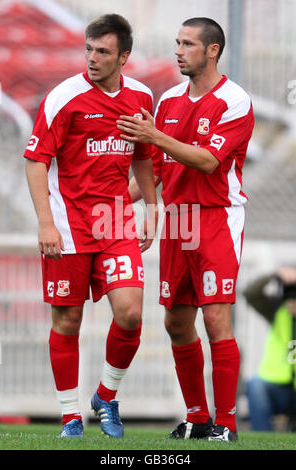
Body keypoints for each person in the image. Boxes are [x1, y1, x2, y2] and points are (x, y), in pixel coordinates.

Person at [117, 17, 254, 441]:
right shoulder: (169, 100)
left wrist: (155, 136)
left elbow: (208, 162)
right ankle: (197, 418)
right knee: (177, 323)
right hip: (178, 220)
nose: (178, 50)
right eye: (177, 42)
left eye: (188, 44)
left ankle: (226, 425)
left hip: (215, 217)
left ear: (212, 50)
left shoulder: (234, 100)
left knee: (216, 318)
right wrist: (116, 204)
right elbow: (155, 170)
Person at [24, 14, 158, 438]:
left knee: (131, 313)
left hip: (115, 223)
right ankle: (70, 418)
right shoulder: (64, 97)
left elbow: (143, 156)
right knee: (67, 322)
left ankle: (106, 395)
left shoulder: (140, 97)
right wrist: (46, 224)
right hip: (67, 225)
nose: (92, 58)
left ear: (124, 57)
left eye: (102, 52)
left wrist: (152, 207)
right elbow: (35, 161)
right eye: (89, 49)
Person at [244, 267, 296, 432]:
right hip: (279, 388)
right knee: (255, 385)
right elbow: (251, 293)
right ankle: (262, 436)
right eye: (290, 295)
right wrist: (275, 274)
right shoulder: (277, 311)